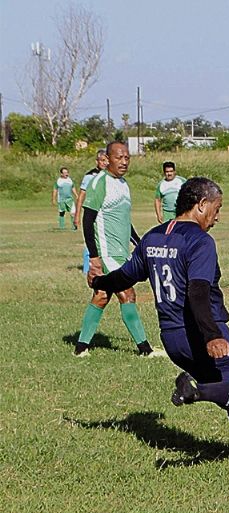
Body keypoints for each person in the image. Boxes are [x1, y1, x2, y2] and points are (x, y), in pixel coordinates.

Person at [89, 176, 229, 463]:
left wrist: (100, 282)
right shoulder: (200, 241)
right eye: (217, 208)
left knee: (227, 391)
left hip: (172, 340)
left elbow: (127, 276)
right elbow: (199, 291)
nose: (218, 217)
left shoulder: (152, 237)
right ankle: (196, 390)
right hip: (201, 335)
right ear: (202, 204)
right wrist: (213, 335)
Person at [75, 141, 160, 357]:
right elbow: (88, 220)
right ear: (108, 158)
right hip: (106, 253)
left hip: (122, 252)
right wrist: (94, 257)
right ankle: (145, 350)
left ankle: (81, 347)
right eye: (119, 157)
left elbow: (124, 220)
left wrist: (139, 243)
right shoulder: (99, 182)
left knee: (102, 296)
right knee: (127, 294)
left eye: (127, 158)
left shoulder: (123, 184)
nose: (123, 162)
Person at [76, 150, 109, 273]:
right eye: (102, 160)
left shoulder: (110, 176)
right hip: (92, 212)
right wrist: (77, 215)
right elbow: (82, 195)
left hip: (105, 215)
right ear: (97, 161)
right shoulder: (90, 176)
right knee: (90, 238)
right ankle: (87, 268)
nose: (105, 163)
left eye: (107, 160)